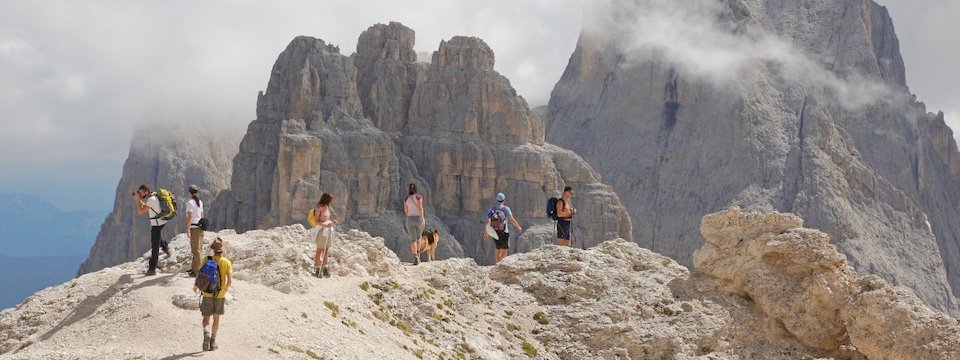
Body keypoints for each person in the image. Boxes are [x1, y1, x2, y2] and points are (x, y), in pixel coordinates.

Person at [193, 238, 232, 352]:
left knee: (206, 318)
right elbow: (229, 281)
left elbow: (200, 275)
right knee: (216, 318)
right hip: (220, 296)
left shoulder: (206, 259)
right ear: (222, 250)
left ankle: (206, 333)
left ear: (213, 250)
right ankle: (213, 341)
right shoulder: (226, 262)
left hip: (207, 293)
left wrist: (196, 286)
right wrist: (223, 289)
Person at [132, 184, 171, 276]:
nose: (140, 194)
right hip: (161, 222)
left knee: (155, 247)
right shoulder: (154, 195)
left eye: (141, 193)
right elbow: (147, 206)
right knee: (158, 238)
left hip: (156, 225)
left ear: (146, 192)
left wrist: (137, 200)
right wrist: (140, 200)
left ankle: (152, 269)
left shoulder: (151, 199)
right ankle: (166, 248)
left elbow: (141, 211)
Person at [482, 192, 522, 263]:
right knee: (504, 250)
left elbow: (489, 222)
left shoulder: (492, 210)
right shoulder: (506, 209)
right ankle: (502, 266)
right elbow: (511, 219)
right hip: (504, 232)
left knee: (497, 249)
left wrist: (486, 233)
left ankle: (497, 265)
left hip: (495, 232)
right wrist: (518, 226)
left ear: (497, 200)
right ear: (504, 200)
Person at [308, 193, 336, 278]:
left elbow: (326, 219)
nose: (331, 201)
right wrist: (325, 225)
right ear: (326, 199)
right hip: (321, 231)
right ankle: (317, 269)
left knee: (326, 250)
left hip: (328, 231)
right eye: (330, 199)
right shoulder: (319, 207)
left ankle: (325, 268)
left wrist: (332, 222)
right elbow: (317, 221)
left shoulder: (327, 207)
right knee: (319, 250)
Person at [403, 183, 425, 265]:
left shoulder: (406, 199)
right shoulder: (419, 197)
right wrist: (422, 219)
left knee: (413, 239)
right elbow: (420, 208)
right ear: (416, 189)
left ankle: (415, 256)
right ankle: (418, 255)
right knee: (419, 237)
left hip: (410, 219)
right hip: (418, 218)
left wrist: (410, 214)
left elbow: (405, 211)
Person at [186, 185, 204, 277]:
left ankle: (198, 271)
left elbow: (189, 217)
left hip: (194, 228)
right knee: (198, 249)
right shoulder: (200, 202)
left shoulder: (190, 203)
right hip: (200, 227)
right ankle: (194, 268)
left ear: (190, 192)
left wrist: (187, 229)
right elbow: (202, 215)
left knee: (195, 250)